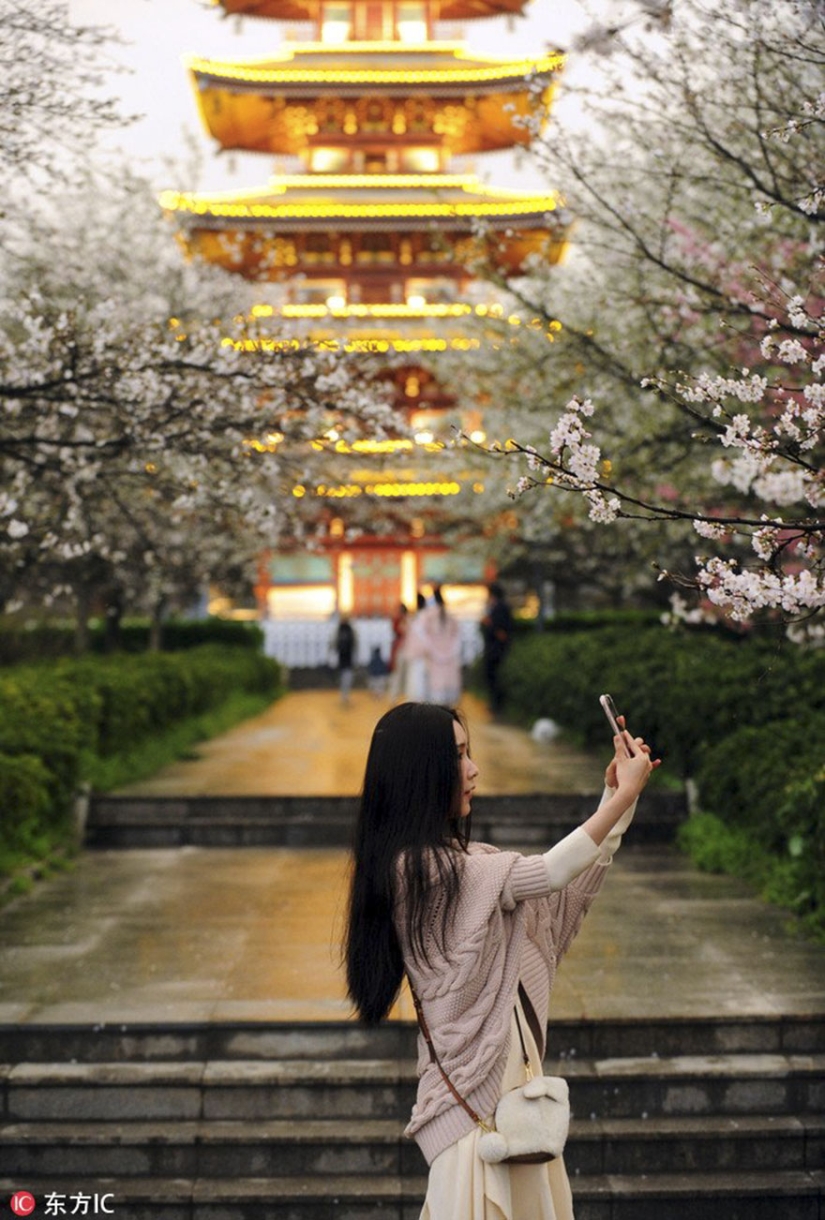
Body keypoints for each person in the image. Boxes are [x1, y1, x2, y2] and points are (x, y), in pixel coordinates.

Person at [344, 701, 657, 1220]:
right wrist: (621, 796)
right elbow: (549, 873)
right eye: (458, 756)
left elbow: (560, 899)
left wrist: (617, 800)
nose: (473, 770)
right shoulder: (418, 871)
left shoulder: (473, 864)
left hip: (516, 1111)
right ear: (420, 772)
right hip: (475, 1120)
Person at [422, 585, 462, 706]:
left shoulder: (429, 616)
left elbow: (424, 637)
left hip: (436, 658)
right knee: (448, 697)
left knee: (437, 695)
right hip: (448, 657)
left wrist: (434, 652)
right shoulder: (449, 616)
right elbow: (457, 637)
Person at [480, 582, 513, 715]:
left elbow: (501, 630)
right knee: (491, 676)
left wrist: (489, 624)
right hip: (493, 648)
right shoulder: (496, 607)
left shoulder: (500, 608)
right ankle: (495, 703)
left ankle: (497, 704)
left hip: (496, 649)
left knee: (493, 676)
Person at [404, 592, 431, 702]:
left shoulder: (415, 618)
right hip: (423, 654)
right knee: (421, 679)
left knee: (415, 679)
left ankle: (416, 701)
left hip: (416, 654)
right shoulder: (426, 617)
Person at [332, 615, 357, 706]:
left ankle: (345, 695)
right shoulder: (339, 630)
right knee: (344, 678)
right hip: (342, 658)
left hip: (347, 658)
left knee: (347, 678)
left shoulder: (349, 630)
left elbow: (354, 644)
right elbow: (334, 643)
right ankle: (344, 696)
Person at [387, 603, 410, 700]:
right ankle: (394, 695)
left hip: (406, 649)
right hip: (401, 649)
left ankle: (398, 695)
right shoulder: (398, 620)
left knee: (404, 673)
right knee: (398, 673)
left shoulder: (407, 620)